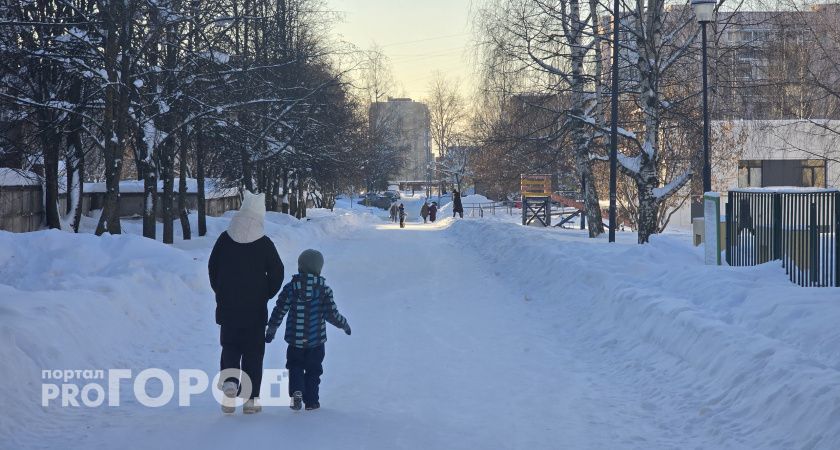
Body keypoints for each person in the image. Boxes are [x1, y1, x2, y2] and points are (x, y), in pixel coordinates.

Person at [208, 191, 284, 415]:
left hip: (228, 307)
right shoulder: (264, 243)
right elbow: (277, 273)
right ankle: (250, 400)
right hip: (254, 310)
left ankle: (230, 383)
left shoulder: (224, 239)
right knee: (253, 353)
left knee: (230, 347)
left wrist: (221, 291)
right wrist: (265, 293)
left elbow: (213, 268)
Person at [265, 249, 351, 411]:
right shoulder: (324, 290)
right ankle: (311, 401)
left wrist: (272, 329)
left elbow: (280, 310)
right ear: (319, 269)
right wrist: (344, 324)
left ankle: (297, 391)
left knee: (295, 365)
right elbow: (331, 314)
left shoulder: (291, 288)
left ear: (300, 267)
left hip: (295, 340)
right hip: (316, 341)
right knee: (314, 370)